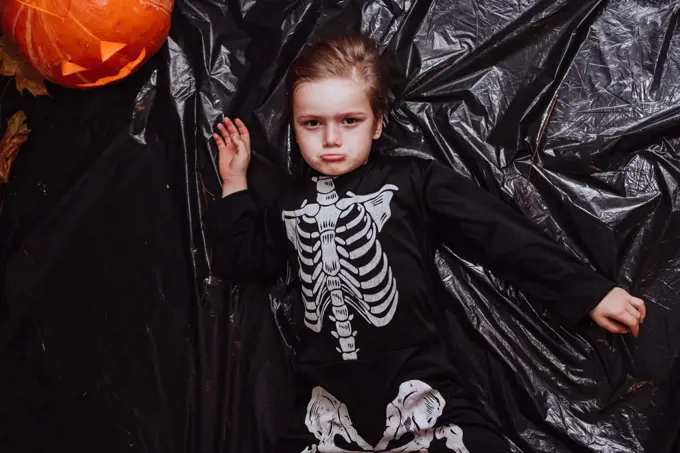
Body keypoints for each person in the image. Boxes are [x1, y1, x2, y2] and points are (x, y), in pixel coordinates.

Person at [205, 32, 646, 453]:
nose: (332, 139)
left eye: (350, 120)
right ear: (294, 128)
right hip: (325, 406)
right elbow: (240, 260)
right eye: (312, 123)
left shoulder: (411, 181)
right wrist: (235, 183)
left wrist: (589, 291)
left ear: (377, 124)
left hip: (420, 392)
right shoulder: (288, 203)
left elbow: (499, 234)